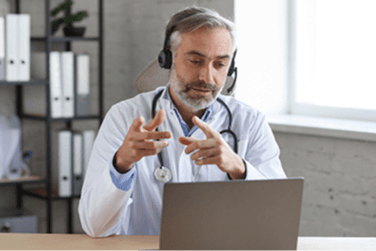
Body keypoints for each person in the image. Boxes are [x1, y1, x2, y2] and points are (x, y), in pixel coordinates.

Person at [78, 6, 286, 237]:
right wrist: (121, 164)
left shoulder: (250, 122)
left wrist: (239, 168)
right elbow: (95, 227)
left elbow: (277, 223)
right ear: (168, 58)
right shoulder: (124, 117)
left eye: (219, 64)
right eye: (196, 61)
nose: (207, 77)